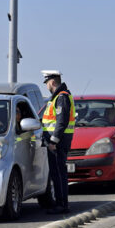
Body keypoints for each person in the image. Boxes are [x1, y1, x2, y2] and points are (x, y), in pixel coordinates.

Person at [40, 70, 75, 214]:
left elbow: (61, 122)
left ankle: (62, 205)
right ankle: (60, 203)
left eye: (47, 82)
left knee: (59, 174)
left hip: (58, 142)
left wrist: (54, 141)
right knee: (56, 173)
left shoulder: (61, 97)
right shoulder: (57, 97)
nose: (46, 86)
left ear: (52, 82)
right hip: (57, 141)